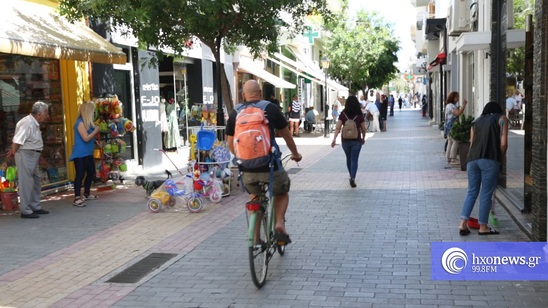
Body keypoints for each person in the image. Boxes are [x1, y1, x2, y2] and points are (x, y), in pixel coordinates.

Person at [226, 80, 302, 241]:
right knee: (281, 192)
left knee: (255, 196)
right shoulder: (270, 108)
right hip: (270, 166)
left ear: (243, 95)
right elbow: (287, 135)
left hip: (246, 169)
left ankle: (254, 237)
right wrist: (295, 153)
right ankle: (279, 223)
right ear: (260, 93)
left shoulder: (235, 113)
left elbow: (231, 143)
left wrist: (241, 157)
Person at [458, 102, 508, 236]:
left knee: (472, 191)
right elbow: (503, 143)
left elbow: (472, 143)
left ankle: (463, 224)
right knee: (486, 193)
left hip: (472, 160)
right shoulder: (502, 119)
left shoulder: (475, 122)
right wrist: (501, 157)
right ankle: (483, 227)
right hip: (490, 159)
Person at [6, 101, 50, 219]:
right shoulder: (27, 123)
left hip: (32, 155)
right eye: (46, 113)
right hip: (26, 154)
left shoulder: (33, 123)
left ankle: (35, 206)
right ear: (39, 114)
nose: (47, 115)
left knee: (35, 181)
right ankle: (25, 210)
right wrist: (13, 153)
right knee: (26, 182)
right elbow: (17, 140)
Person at [69, 102, 101, 207]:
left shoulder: (88, 123)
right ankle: (77, 197)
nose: (94, 113)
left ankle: (87, 193)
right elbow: (86, 138)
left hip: (88, 153)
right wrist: (96, 131)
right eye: (93, 111)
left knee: (91, 172)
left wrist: (96, 141)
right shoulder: (80, 123)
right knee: (80, 174)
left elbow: (90, 137)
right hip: (80, 154)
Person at [331, 96, 366, 188]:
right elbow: (363, 128)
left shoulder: (343, 114)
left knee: (348, 158)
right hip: (357, 140)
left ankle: (351, 175)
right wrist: (363, 137)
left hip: (345, 140)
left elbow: (338, 127)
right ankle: (353, 177)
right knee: (354, 159)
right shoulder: (359, 114)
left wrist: (334, 139)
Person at [445, 92, 467, 164]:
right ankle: (453, 158)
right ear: (453, 98)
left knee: (450, 141)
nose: (458, 98)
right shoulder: (451, 106)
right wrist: (464, 105)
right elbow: (458, 113)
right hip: (452, 125)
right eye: (457, 97)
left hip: (448, 125)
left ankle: (448, 157)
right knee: (455, 140)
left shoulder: (449, 105)